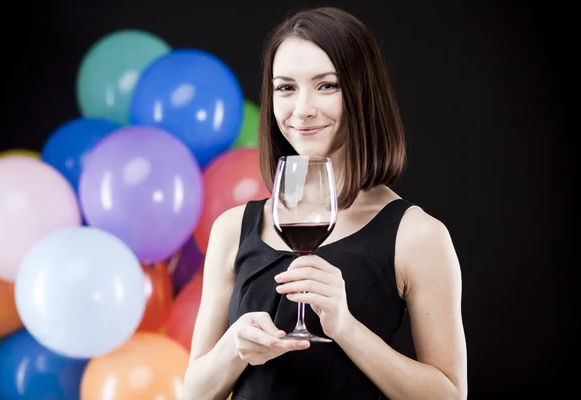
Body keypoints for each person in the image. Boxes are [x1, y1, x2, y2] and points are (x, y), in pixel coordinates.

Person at [183, 6, 467, 400]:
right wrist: (235, 348)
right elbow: (193, 395)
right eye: (286, 88)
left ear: (362, 94)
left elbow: (450, 395)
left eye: (327, 85)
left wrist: (345, 328)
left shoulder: (417, 235)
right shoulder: (233, 228)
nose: (303, 109)